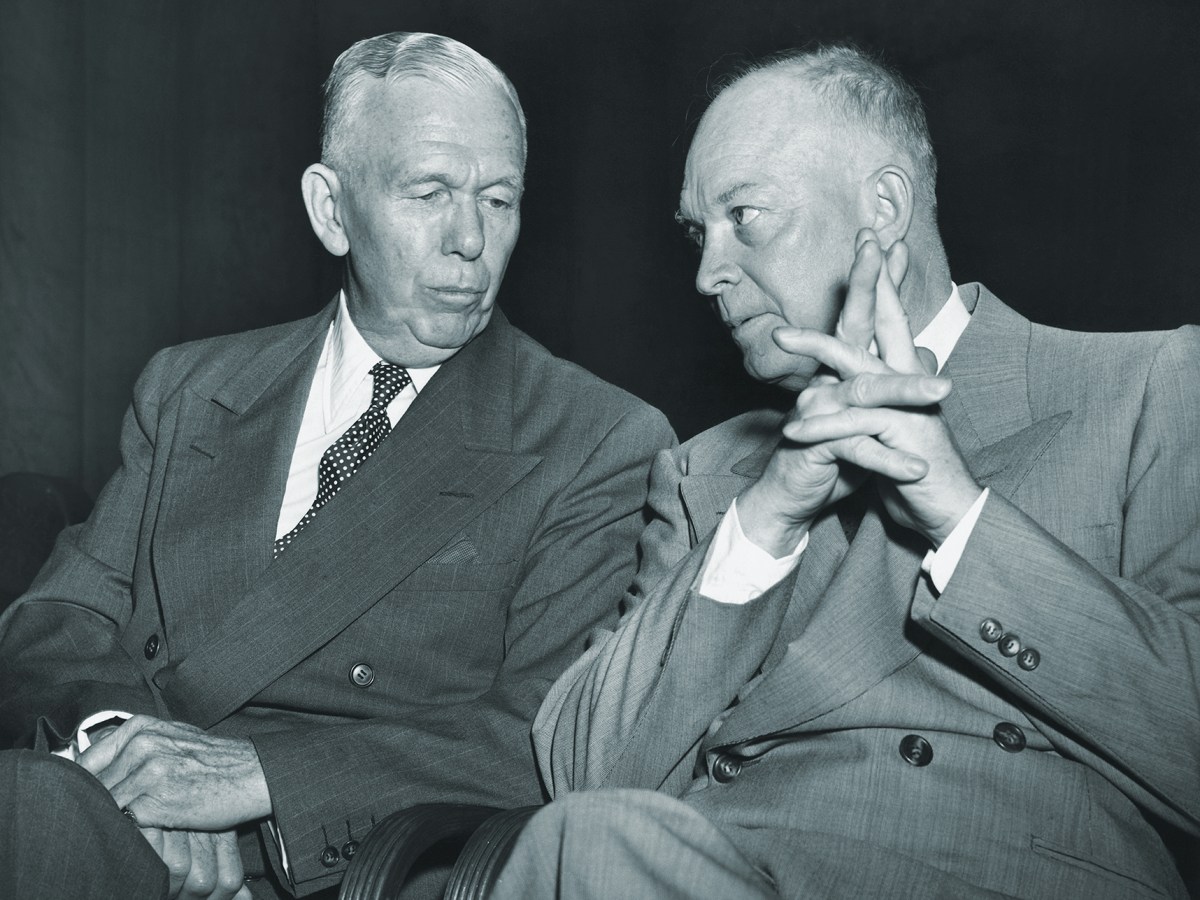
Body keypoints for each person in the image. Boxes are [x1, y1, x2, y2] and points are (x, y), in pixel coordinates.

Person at [491, 44, 1200, 899]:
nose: (708, 271)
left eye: (744, 215)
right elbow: (578, 781)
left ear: (884, 207)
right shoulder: (706, 474)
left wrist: (960, 520)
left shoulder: (1146, 387)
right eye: (697, 231)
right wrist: (766, 520)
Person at [0, 32, 673, 900]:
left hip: (326, 864)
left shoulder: (595, 438)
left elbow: (552, 734)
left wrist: (255, 780)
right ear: (331, 209)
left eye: (499, 199)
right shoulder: (190, 387)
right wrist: (127, 748)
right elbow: (57, 616)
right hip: (104, 815)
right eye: (429, 193)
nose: (470, 240)